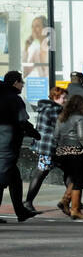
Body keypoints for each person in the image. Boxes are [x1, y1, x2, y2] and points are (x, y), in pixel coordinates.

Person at [0, 71, 40, 223]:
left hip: (4, 144)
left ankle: (21, 211)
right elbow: (22, 121)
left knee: (15, 179)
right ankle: (21, 211)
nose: (23, 84)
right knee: (2, 180)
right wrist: (36, 134)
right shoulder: (13, 99)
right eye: (21, 81)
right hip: (6, 146)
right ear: (15, 82)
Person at [24, 84, 66, 213]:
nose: (66, 100)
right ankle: (28, 202)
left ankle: (72, 200)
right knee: (41, 173)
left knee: (69, 171)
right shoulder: (54, 109)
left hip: (46, 146)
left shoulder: (45, 107)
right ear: (56, 97)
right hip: (50, 147)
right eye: (64, 98)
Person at [51, 93, 83, 219]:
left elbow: (56, 136)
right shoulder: (80, 117)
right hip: (75, 151)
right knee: (78, 181)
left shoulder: (61, 117)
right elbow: (82, 136)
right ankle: (75, 210)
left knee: (73, 179)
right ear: (80, 105)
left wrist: (60, 148)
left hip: (61, 152)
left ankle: (64, 201)